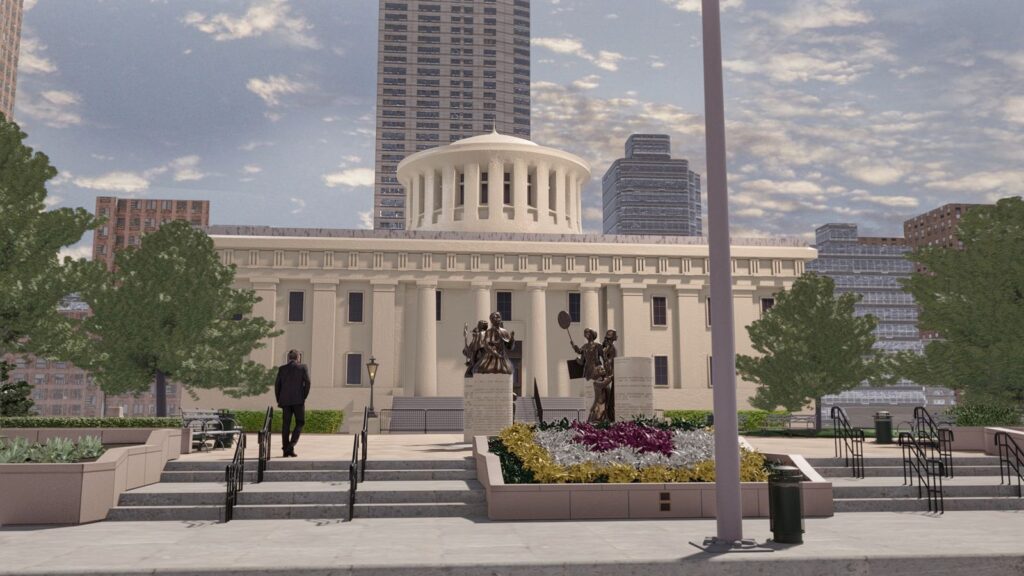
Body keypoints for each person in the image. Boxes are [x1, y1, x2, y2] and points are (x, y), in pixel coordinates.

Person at [275, 349, 310, 457]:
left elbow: (277, 386)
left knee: (286, 425)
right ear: (298, 357)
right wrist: (303, 396)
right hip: (298, 400)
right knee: (300, 422)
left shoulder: (282, 369)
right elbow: (308, 383)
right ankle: (290, 446)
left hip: (285, 401)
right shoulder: (302, 367)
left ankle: (286, 449)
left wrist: (279, 399)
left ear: (289, 358)